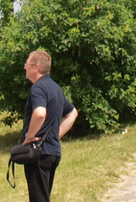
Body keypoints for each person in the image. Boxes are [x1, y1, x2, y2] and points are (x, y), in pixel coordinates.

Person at [20, 49, 78, 202]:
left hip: (39, 153)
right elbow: (73, 113)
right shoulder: (55, 88)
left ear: (36, 67)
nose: (24, 67)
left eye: (27, 64)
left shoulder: (38, 88)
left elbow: (39, 113)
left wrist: (30, 137)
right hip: (52, 152)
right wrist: (55, 135)